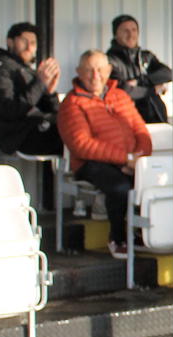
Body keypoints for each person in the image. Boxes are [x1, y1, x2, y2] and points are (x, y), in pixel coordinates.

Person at [57, 49, 153, 258]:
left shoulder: (120, 96)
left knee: (157, 178)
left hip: (130, 160)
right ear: (78, 72)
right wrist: (125, 160)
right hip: (91, 164)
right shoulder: (72, 103)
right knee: (120, 187)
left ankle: (144, 233)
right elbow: (82, 145)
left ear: (109, 71)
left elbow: (141, 130)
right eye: (89, 70)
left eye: (100, 69)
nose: (96, 75)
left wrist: (140, 158)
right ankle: (117, 238)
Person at [0, 21, 63, 155]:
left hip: (34, 129)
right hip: (15, 137)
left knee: (76, 129)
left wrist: (49, 93)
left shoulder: (26, 70)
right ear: (10, 42)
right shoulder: (0, 69)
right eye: (24, 41)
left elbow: (54, 111)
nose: (29, 47)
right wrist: (40, 83)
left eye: (33, 43)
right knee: (72, 136)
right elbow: (10, 110)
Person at [105, 14, 171, 123]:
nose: (130, 34)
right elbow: (124, 91)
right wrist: (153, 89)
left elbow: (168, 74)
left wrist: (139, 81)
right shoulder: (109, 60)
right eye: (125, 31)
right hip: (128, 120)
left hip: (156, 116)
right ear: (115, 34)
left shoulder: (146, 56)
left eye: (134, 30)